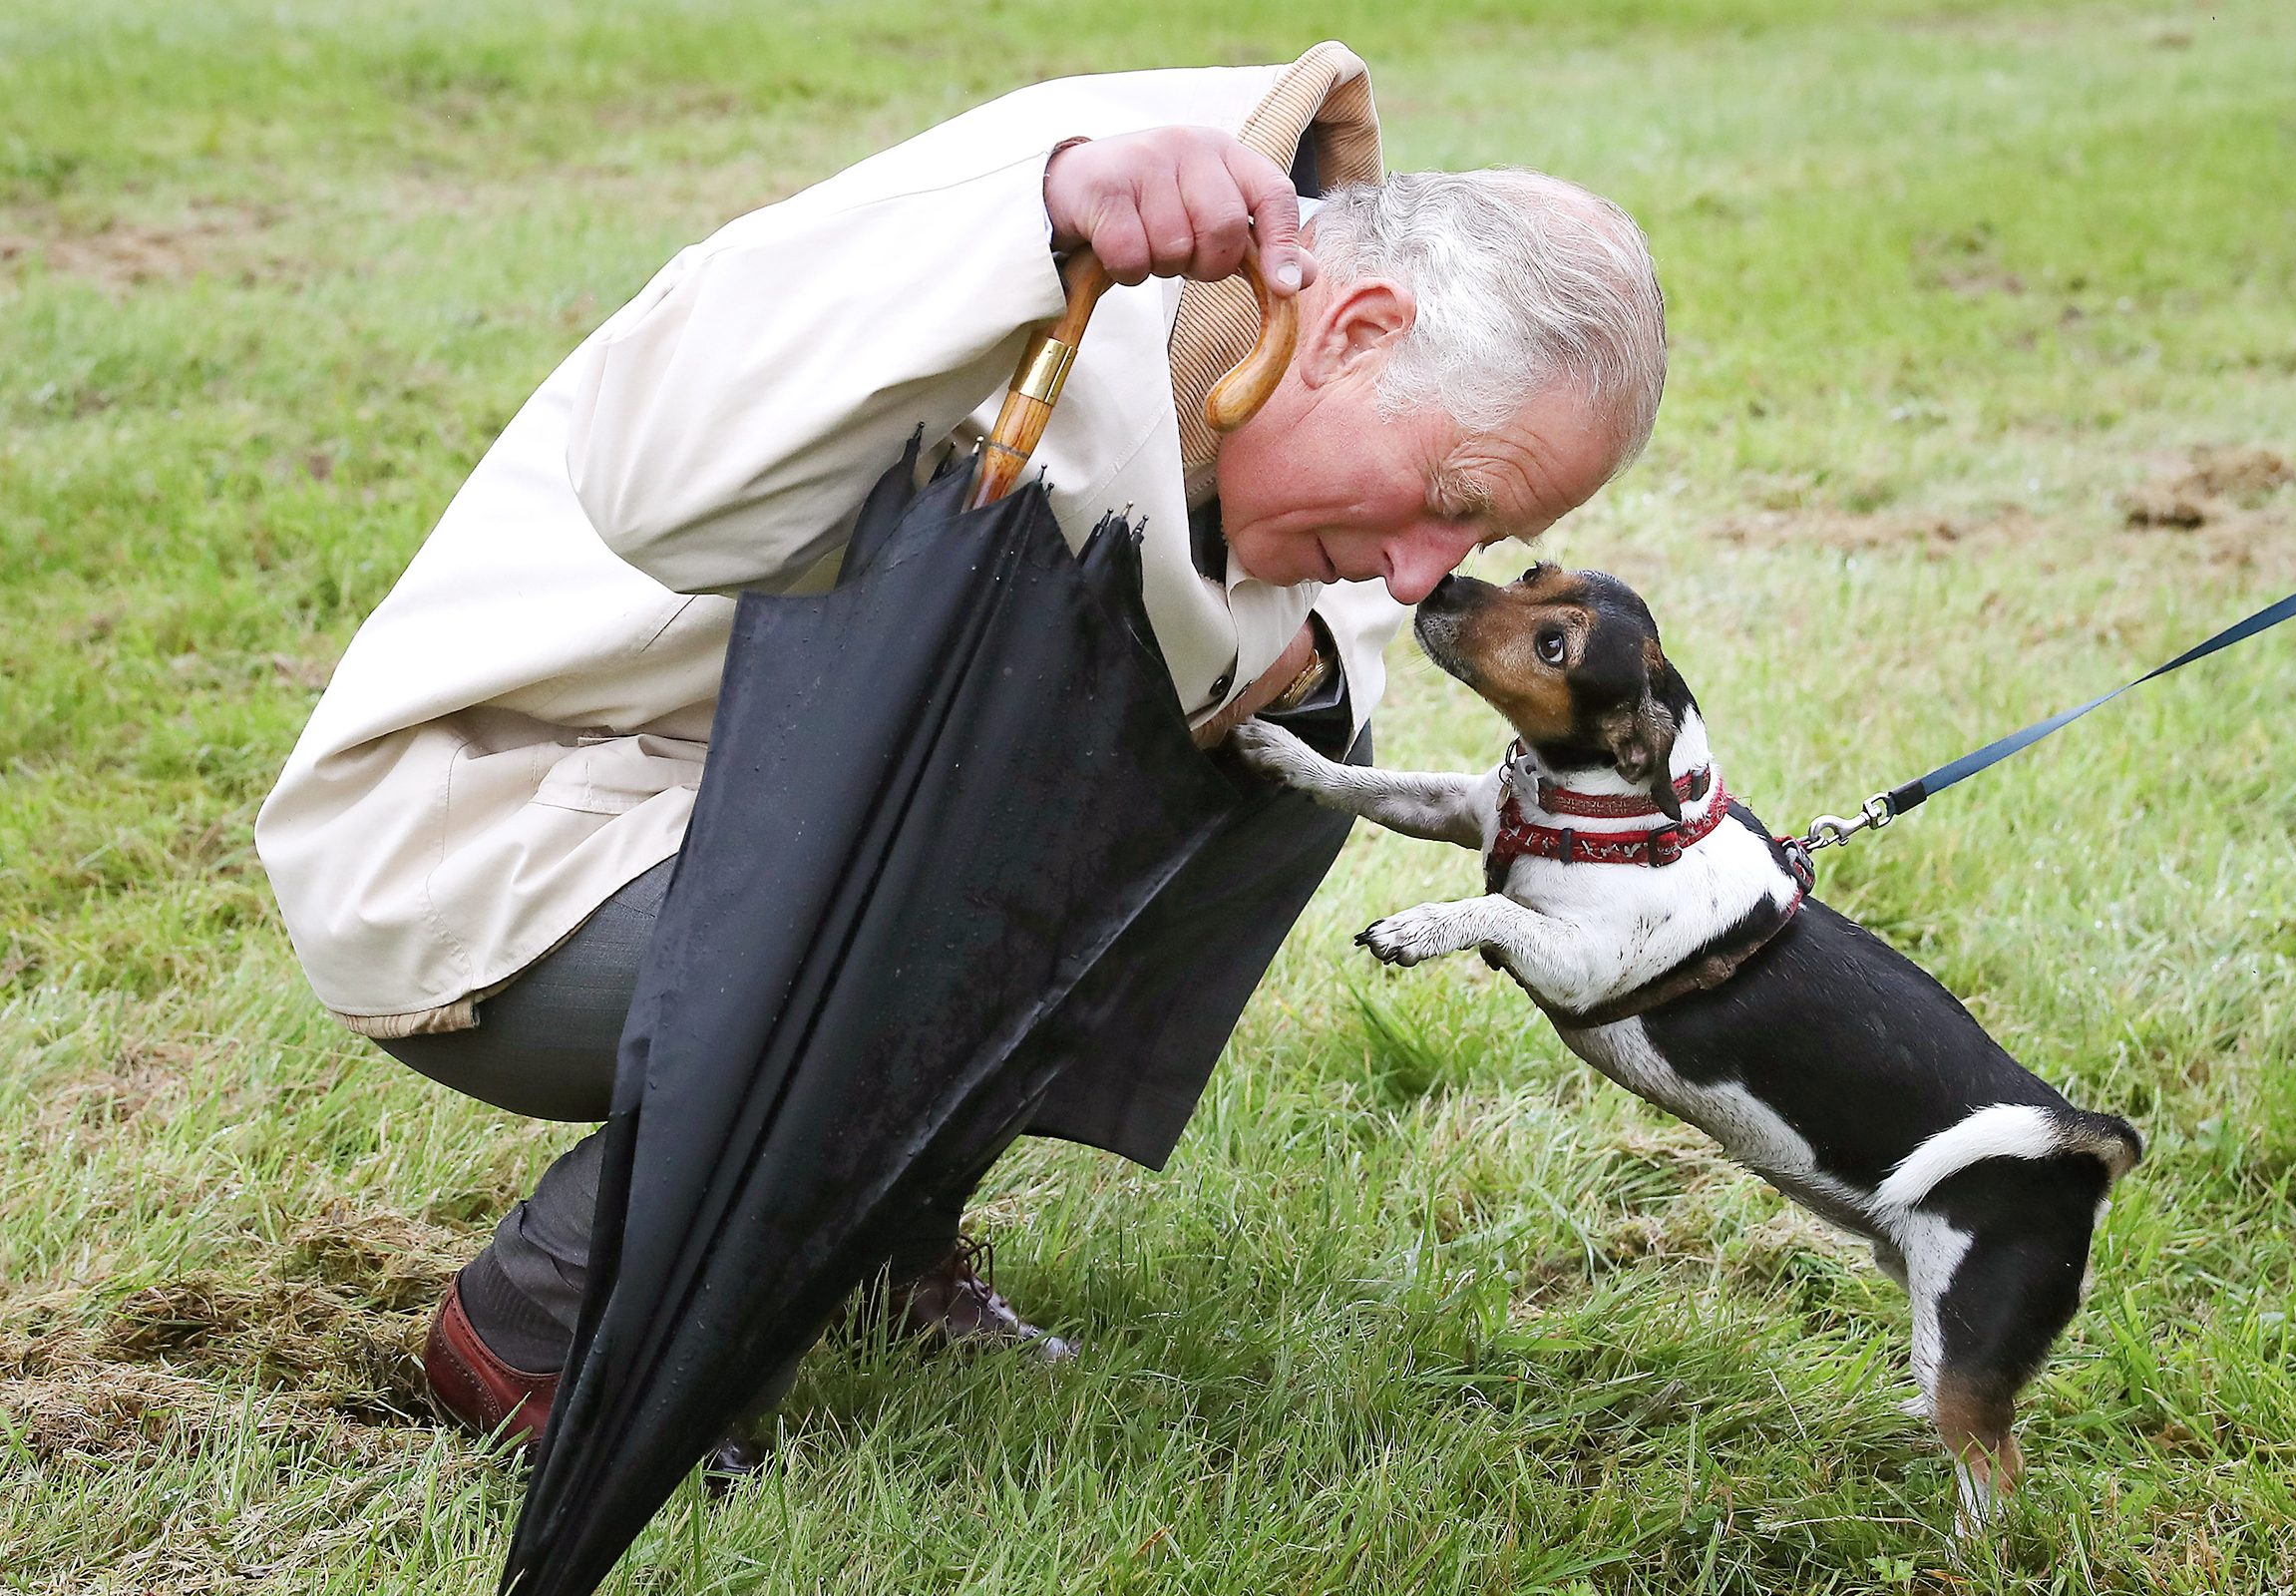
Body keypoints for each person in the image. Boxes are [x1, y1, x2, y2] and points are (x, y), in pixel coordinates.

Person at [253, 41, 1666, 1461]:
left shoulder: (1282, 342)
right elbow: (655, 483)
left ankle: (867, 1234)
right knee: (1013, 860)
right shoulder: (1077, 201)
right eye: (1449, 499)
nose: (1427, 576)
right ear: (1355, 331)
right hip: (504, 824)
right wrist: (1034, 221)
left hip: (784, 817)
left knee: (1286, 774)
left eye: (1475, 539)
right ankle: (544, 1317)